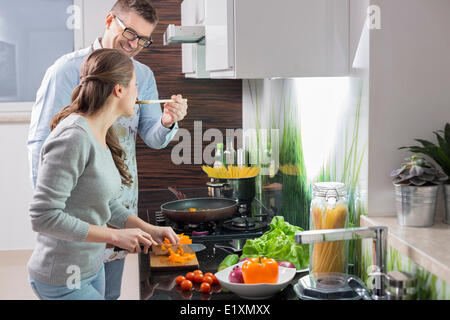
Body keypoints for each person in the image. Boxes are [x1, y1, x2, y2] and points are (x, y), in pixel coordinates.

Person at [27, 0, 188, 299]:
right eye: (130, 33)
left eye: (143, 40)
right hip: (72, 235)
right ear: (110, 20)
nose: (135, 45)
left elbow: (152, 139)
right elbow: (42, 154)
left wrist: (167, 121)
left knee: (108, 294)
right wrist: (57, 210)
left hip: (111, 207)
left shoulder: (109, 124)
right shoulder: (66, 79)